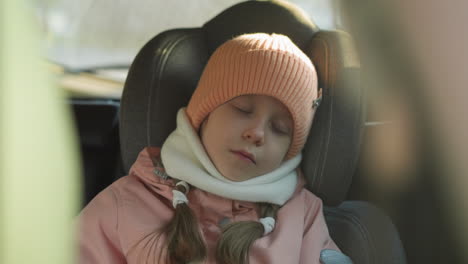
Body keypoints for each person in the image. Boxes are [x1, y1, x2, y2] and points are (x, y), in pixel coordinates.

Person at [78, 33, 345, 264]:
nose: (257, 133)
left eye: (280, 129)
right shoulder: (124, 205)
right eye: (242, 109)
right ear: (204, 115)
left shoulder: (302, 217)